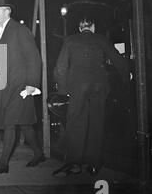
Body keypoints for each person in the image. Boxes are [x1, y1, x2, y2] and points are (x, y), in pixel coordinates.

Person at [0, 0, 44, 173]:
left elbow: (34, 58)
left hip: (20, 86)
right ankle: (39, 153)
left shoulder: (19, 30)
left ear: (7, 11)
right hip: (5, 86)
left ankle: (3, 163)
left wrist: (32, 84)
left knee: (10, 122)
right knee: (24, 124)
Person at [53, 17, 128, 176]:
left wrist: (63, 89)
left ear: (80, 28)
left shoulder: (70, 40)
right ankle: (94, 164)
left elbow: (60, 67)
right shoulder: (101, 39)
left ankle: (74, 163)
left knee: (76, 123)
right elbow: (117, 59)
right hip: (98, 87)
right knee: (96, 123)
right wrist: (126, 76)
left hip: (77, 87)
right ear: (92, 27)